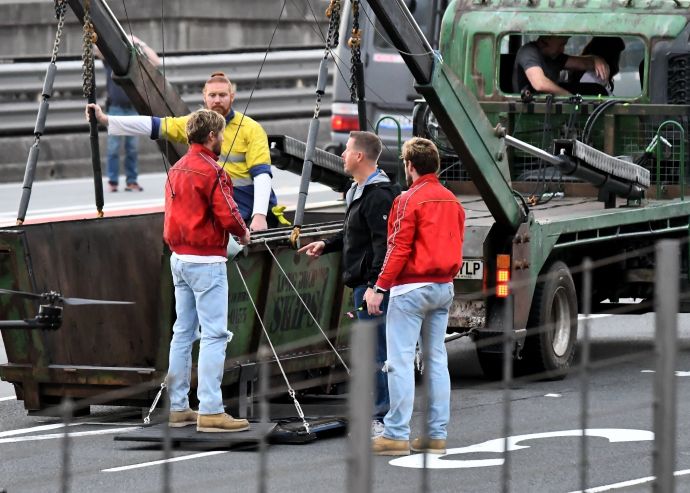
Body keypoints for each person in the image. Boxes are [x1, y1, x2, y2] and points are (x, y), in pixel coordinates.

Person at [365, 137, 465, 456]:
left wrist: (380, 286)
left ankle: (395, 433)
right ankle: (436, 433)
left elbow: (398, 248)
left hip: (411, 289)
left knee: (400, 363)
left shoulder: (408, 199)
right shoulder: (452, 201)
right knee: (436, 359)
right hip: (443, 287)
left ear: (409, 166)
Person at [298, 131, 399, 437]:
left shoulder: (379, 194)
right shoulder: (358, 190)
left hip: (371, 288)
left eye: (346, 150)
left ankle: (382, 418)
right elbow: (353, 234)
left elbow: (384, 245)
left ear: (359, 156)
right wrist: (326, 245)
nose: (342, 154)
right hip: (362, 285)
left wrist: (374, 286)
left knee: (378, 353)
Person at [87, 72, 281, 231]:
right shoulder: (195, 124)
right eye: (212, 95)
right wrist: (106, 120)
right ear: (204, 97)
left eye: (222, 95)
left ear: (232, 96)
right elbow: (155, 125)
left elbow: (262, 176)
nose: (217, 100)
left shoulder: (251, 129)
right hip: (222, 206)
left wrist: (260, 216)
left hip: (249, 209)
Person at [163, 108, 252, 432]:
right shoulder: (212, 170)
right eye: (222, 134)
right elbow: (228, 214)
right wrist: (243, 233)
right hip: (206, 261)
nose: (223, 139)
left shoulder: (176, 168)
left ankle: (178, 407)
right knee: (215, 335)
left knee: (182, 333)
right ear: (212, 135)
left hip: (179, 258)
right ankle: (212, 410)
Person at [101, 36, 160, 192]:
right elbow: (97, 49)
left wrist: (139, 43)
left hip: (133, 108)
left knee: (132, 148)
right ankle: (112, 182)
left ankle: (131, 181)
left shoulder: (136, 62)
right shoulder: (111, 60)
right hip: (115, 108)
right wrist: (119, 39)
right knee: (113, 148)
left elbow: (156, 62)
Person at [513, 36, 610, 96]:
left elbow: (582, 63)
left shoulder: (554, 57)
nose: (563, 49)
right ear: (546, 40)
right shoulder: (528, 52)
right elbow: (540, 84)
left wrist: (596, 59)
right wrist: (570, 97)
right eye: (561, 45)